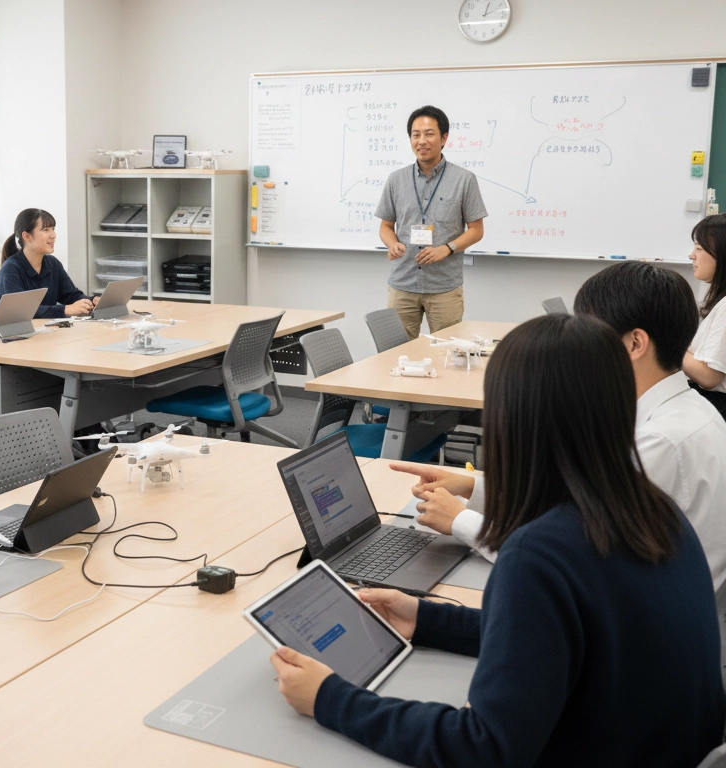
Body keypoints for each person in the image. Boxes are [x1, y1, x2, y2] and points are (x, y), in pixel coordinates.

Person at [270, 314, 725, 767]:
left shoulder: (541, 553)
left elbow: (485, 749)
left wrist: (329, 698)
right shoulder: (651, 508)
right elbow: (562, 635)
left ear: (514, 418)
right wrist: (428, 620)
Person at [399, 262, 726, 590]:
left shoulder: (659, 442)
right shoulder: (679, 412)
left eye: (592, 331)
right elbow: (574, 510)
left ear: (634, 344)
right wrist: (474, 488)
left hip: (648, 621)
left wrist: (461, 521)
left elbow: (573, 562)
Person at [375, 105, 488, 340]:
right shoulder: (396, 180)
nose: (421, 141)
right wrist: (392, 244)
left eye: (429, 134)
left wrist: (447, 248)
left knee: (446, 354)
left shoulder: (464, 179)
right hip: (402, 283)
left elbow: (476, 230)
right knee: (397, 353)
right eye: (416, 135)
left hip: (443, 287)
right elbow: (386, 226)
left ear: (444, 138)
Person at [0, 208, 95, 318]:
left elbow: (69, 295)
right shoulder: (11, 269)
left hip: (45, 330)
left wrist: (91, 301)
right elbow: (20, 311)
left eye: (53, 229)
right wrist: (65, 310)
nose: (53, 235)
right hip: (12, 334)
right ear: (27, 236)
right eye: (46, 230)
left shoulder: (53, 263)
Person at [683, 212, 726, 418]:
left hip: (717, 408)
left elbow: (709, 376)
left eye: (699, 248)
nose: (692, 255)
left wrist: (667, 345)